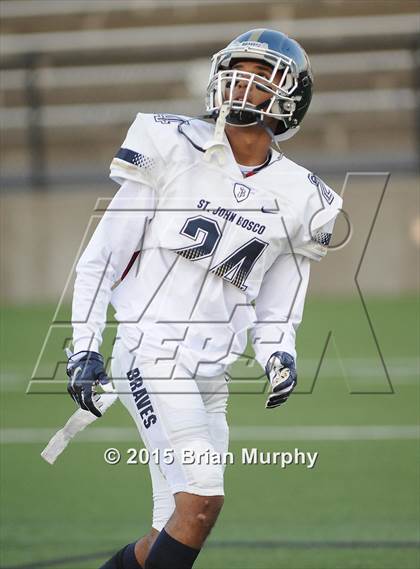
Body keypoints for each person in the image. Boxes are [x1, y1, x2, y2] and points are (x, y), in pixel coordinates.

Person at [66, 28, 342, 569]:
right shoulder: (170, 145)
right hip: (151, 352)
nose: (243, 80)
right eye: (236, 67)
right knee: (202, 501)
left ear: (291, 95)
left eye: (262, 74)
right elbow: (100, 258)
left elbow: (279, 302)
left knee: (170, 522)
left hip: (213, 370)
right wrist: (84, 345)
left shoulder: (303, 195)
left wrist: (277, 353)